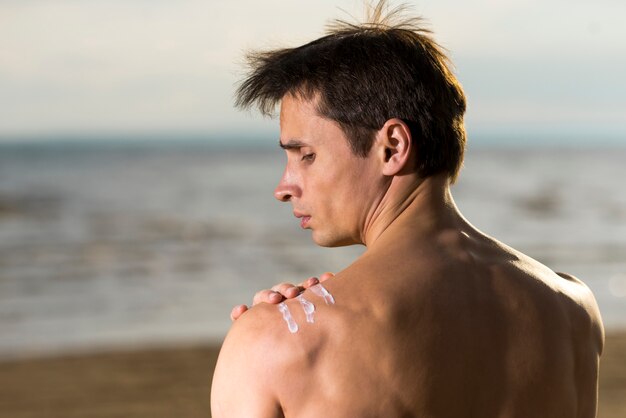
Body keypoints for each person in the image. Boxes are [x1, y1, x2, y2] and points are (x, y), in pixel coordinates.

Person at [210, 2, 604, 417]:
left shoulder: (279, 344)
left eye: (305, 155)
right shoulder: (572, 308)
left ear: (392, 147)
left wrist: (268, 336)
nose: (283, 187)